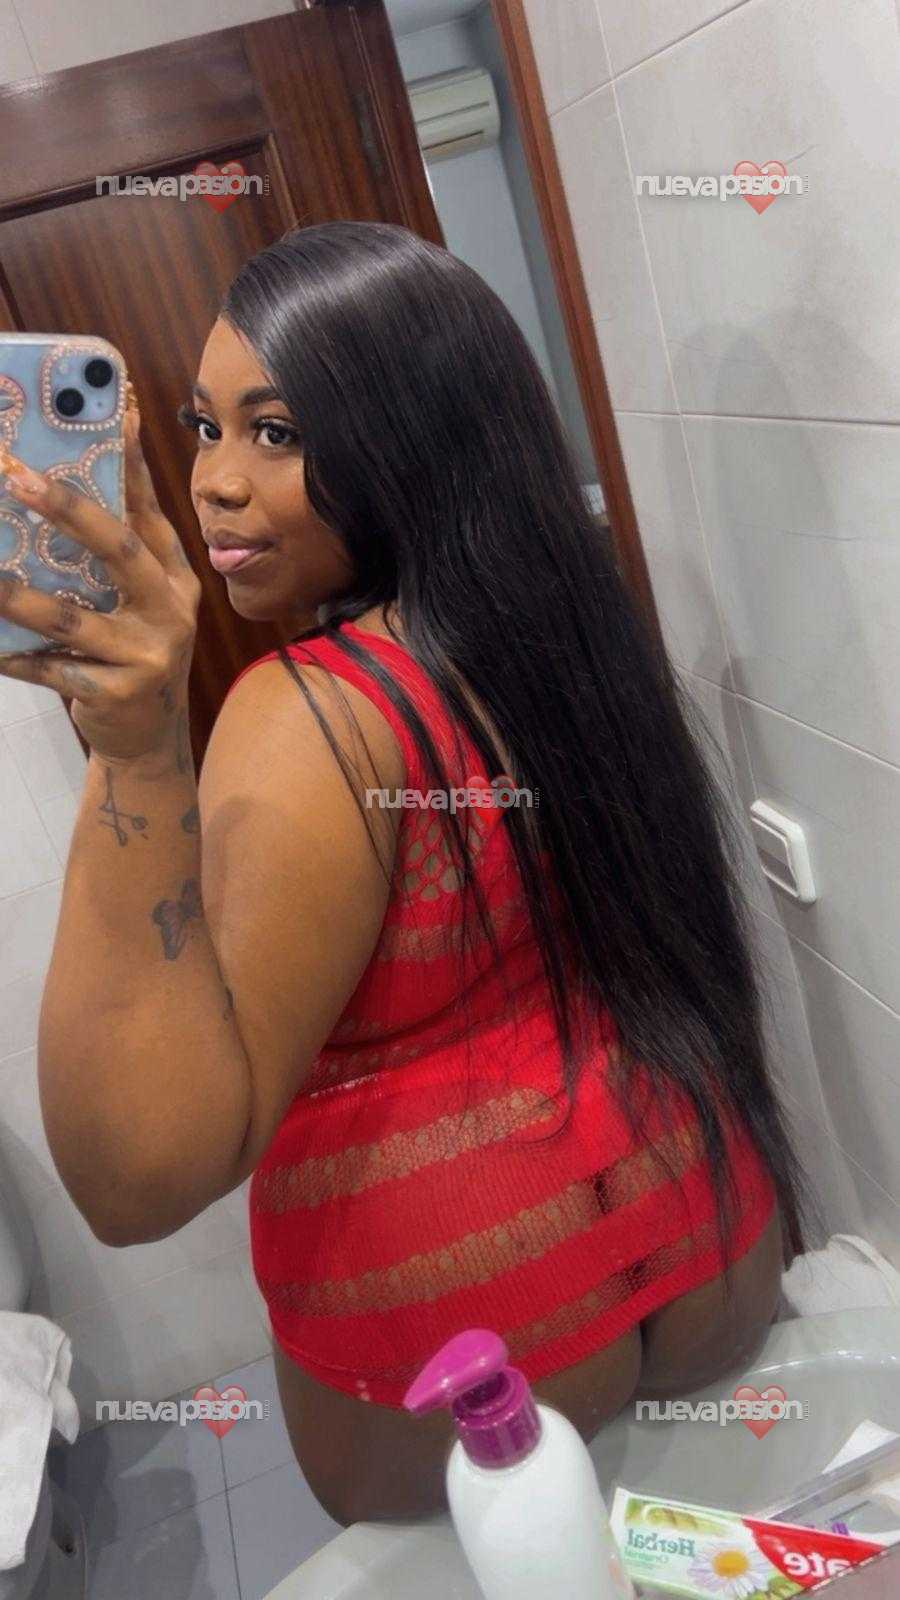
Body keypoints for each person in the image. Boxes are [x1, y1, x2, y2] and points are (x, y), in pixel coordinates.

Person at [177, 221, 818, 1526]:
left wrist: (130, 752)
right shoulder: (569, 632)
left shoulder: (306, 711)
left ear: (406, 435)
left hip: (469, 1328)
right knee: (705, 1543)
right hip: (705, 1222)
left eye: (276, 433)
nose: (215, 484)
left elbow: (155, 1153)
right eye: (204, 428)